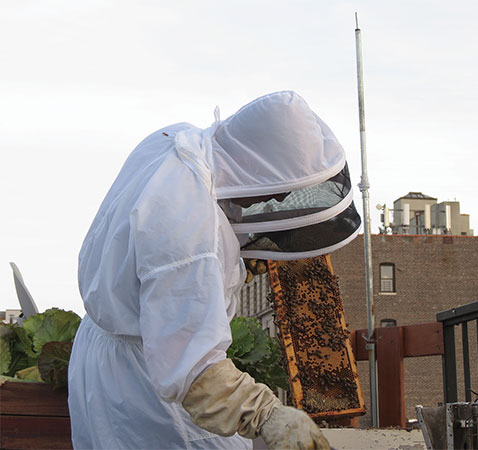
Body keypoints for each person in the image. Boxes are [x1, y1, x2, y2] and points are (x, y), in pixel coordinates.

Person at [68, 91, 361, 449]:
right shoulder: (189, 224)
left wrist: (230, 264)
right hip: (147, 378)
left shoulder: (179, 143)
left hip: (109, 355)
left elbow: (151, 256)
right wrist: (265, 414)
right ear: (252, 164)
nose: (277, 201)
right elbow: (195, 372)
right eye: (279, 188)